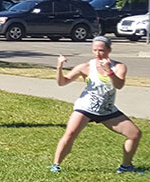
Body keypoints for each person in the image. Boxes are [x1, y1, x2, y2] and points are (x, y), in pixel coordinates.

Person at [51, 36, 142, 174]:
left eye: (101, 50)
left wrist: (109, 71)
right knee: (70, 133)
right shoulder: (86, 67)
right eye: (95, 50)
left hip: (107, 110)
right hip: (85, 107)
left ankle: (126, 167)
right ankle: (56, 165)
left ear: (109, 50)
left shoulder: (119, 67)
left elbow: (119, 85)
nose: (98, 53)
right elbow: (62, 82)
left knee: (135, 134)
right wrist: (59, 67)